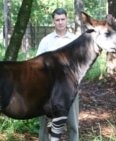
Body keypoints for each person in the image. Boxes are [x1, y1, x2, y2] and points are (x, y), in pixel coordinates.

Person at [36, 8, 79, 141]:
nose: (60, 22)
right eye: (57, 20)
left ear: (67, 20)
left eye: (62, 19)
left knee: (73, 123)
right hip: (49, 88)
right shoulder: (46, 41)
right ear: (53, 21)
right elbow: (37, 64)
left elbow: (80, 64)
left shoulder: (75, 40)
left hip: (70, 88)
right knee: (45, 123)